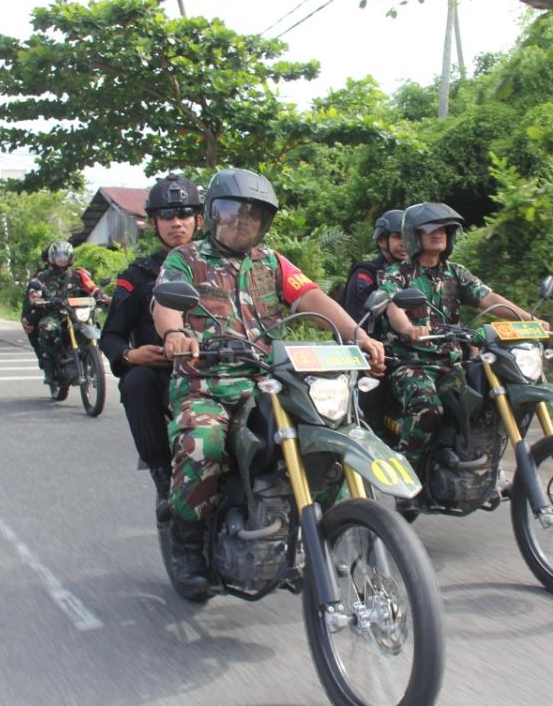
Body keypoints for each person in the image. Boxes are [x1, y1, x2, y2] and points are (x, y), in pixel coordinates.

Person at [153, 167, 386, 600]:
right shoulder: (185, 258)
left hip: (268, 379)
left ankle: (311, 533)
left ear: (264, 221)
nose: (242, 220)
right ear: (212, 213)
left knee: (325, 435)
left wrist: (358, 335)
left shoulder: (273, 263)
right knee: (202, 443)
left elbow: (314, 299)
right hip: (207, 382)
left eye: (253, 214)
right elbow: (166, 305)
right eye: (231, 211)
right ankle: (186, 545)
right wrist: (174, 335)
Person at [378, 202, 546, 477]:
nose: (439, 233)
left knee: (491, 399)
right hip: (413, 363)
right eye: (430, 228)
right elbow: (393, 306)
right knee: (428, 409)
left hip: (453, 362)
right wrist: (408, 328)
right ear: (414, 235)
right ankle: (408, 475)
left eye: (444, 228)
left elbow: (488, 300)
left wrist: (528, 319)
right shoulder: (398, 274)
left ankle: (484, 464)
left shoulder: (456, 272)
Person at [101, 174, 203, 525]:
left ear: (199, 220)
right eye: (167, 216)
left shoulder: (219, 267)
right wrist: (131, 356)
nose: (177, 223)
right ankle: (163, 478)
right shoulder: (139, 274)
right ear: (154, 223)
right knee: (136, 381)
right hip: (165, 374)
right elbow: (111, 335)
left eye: (185, 214)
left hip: (221, 369)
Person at [26, 241, 105, 384]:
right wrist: (36, 299)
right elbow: (33, 292)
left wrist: (102, 296)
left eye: (65, 255)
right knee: (47, 328)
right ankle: (50, 367)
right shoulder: (42, 277)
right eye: (59, 255)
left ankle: (94, 361)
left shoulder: (79, 275)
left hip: (78, 314)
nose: (62, 258)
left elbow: (93, 288)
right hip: (55, 315)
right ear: (51, 257)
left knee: (97, 327)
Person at [341, 208, 408, 332]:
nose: (404, 243)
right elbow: (357, 320)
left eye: (408, 237)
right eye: (398, 237)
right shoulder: (366, 274)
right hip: (371, 343)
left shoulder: (415, 274)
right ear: (382, 241)